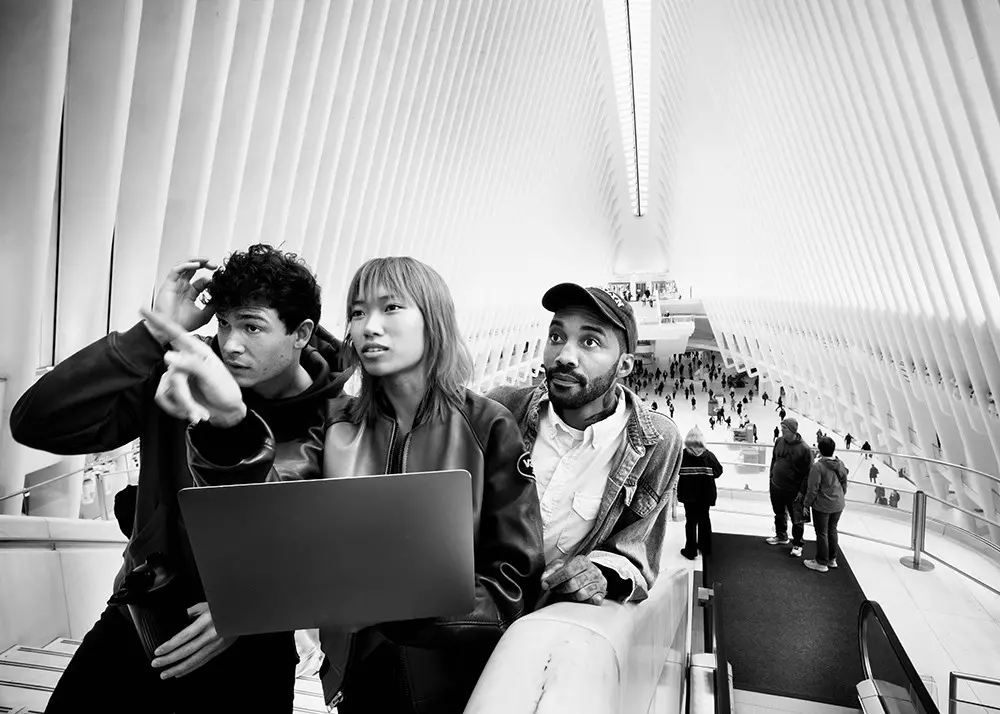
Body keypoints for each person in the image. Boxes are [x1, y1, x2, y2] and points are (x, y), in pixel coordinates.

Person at [150, 256, 545, 714]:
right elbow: (271, 516)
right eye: (358, 312)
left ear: (433, 318)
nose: (369, 326)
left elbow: (515, 575)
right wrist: (231, 426)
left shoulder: (487, 426)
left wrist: (406, 609)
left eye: (391, 307)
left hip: (460, 674)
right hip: (359, 676)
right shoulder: (337, 423)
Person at [11, 246, 348, 713]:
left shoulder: (340, 425)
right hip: (143, 612)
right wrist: (151, 335)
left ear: (301, 333)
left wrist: (251, 608)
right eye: (224, 323)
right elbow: (35, 422)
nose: (231, 344)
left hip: (253, 642)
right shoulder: (181, 373)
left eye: (252, 327)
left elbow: (343, 551)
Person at [488, 283, 683, 607]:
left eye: (589, 341)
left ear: (625, 365)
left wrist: (601, 572)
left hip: (549, 630)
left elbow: (636, 551)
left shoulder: (656, 443)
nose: (564, 356)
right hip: (472, 615)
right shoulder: (504, 410)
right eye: (557, 337)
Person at [765, 418, 814, 557]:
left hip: (794, 490)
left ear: (793, 430)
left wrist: (802, 492)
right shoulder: (779, 441)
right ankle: (781, 536)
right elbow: (774, 460)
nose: (782, 432)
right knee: (779, 512)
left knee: (796, 518)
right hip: (777, 486)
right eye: (782, 429)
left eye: (784, 429)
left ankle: (798, 544)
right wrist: (771, 477)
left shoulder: (804, 449)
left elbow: (808, 473)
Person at [803, 436, 848, 573]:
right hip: (838, 503)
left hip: (823, 505)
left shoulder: (818, 467)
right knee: (832, 529)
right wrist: (840, 495)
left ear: (819, 449)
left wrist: (806, 504)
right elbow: (844, 481)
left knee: (822, 532)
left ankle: (821, 562)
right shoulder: (839, 463)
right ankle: (832, 559)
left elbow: (813, 489)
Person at [677, 427, 723, 560]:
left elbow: (675, 471)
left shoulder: (683, 455)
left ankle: (690, 550)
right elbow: (718, 471)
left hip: (688, 495)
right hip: (705, 494)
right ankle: (705, 546)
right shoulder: (708, 455)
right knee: (704, 519)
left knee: (690, 521)